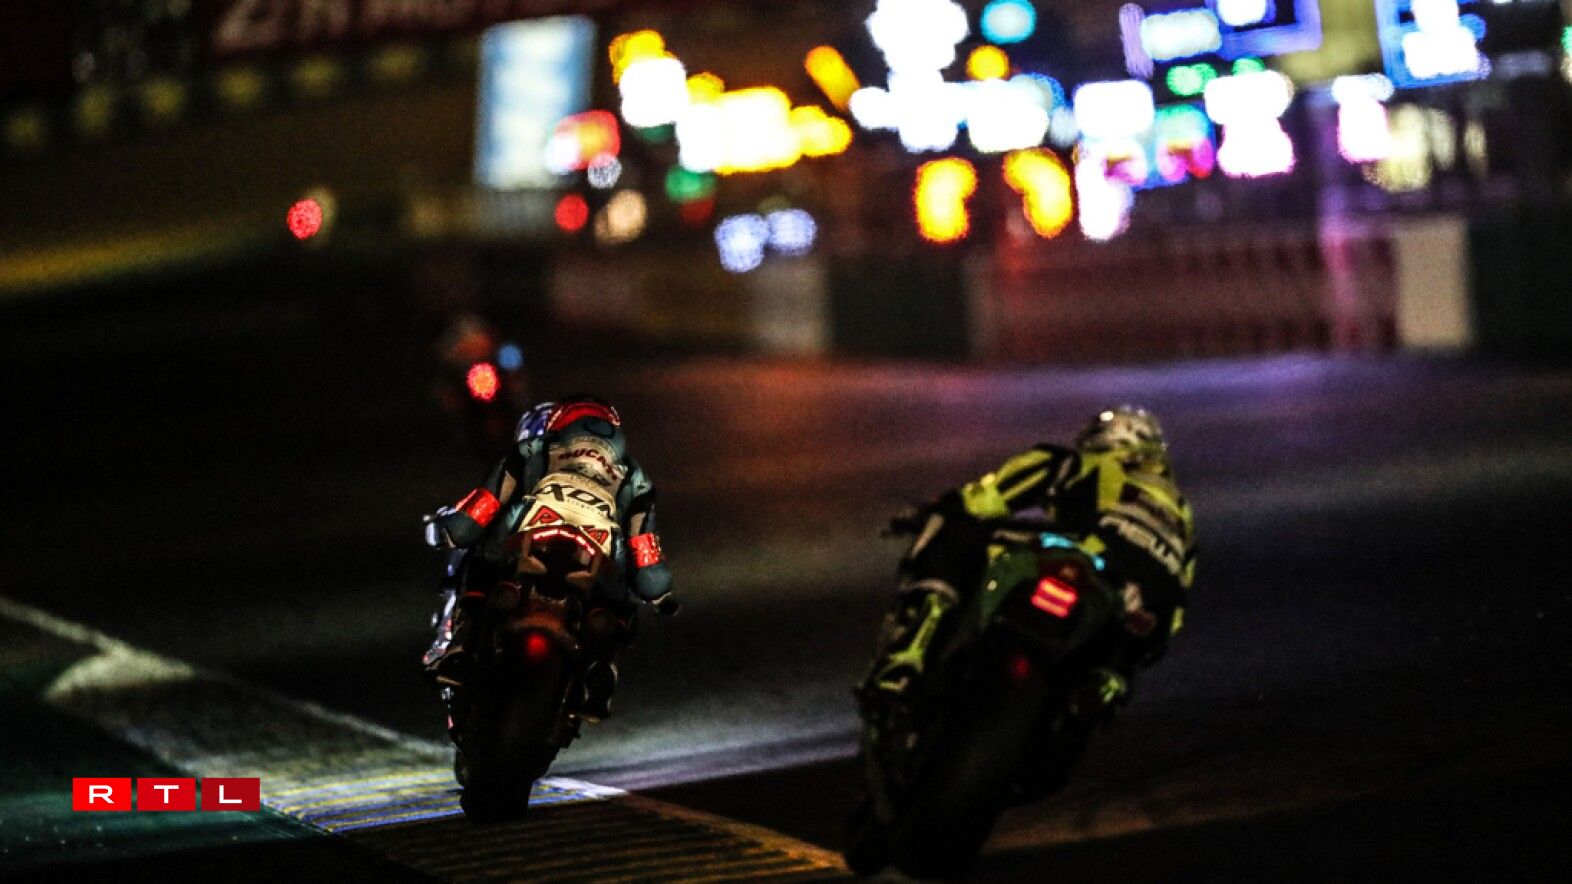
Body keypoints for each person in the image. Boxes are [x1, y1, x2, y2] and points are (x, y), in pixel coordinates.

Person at [862, 405, 1195, 718]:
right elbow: (1175, 613)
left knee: (955, 527)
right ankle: (1104, 687)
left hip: (1080, 555)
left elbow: (983, 500)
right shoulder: (1184, 515)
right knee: (1115, 668)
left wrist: (935, 509)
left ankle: (909, 654)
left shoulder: (1079, 463)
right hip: (1135, 609)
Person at [422, 395, 675, 721]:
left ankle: (459, 646)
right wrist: (658, 594)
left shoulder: (535, 449)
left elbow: (485, 504)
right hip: (598, 546)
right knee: (621, 598)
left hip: (532, 527)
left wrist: (451, 532)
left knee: (481, 558)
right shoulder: (634, 476)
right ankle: (602, 670)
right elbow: (644, 549)